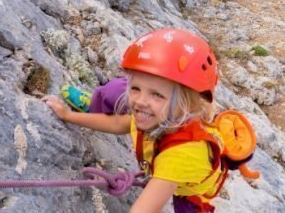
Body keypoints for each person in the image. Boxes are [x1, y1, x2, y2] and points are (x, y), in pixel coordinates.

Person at [42, 28, 223, 213]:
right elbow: (119, 123)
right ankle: (97, 102)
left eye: (157, 94)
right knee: (115, 91)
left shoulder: (181, 157)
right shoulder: (157, 113)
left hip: (190, 188)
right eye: (136, 88)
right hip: (163, 120)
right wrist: (68, 116)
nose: (140, 101)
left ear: (187, 105)